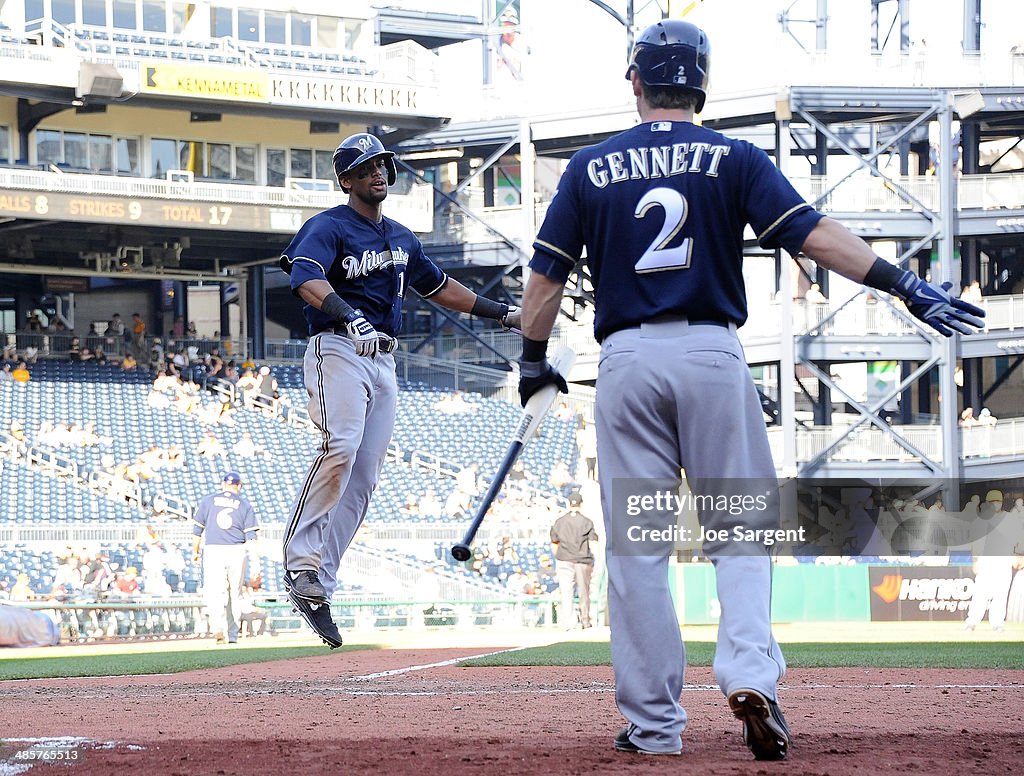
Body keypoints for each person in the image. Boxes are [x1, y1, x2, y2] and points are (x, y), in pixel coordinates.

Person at [514, 19, 985, 760]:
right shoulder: (731, 157)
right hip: (710, 354)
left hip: (627, 362)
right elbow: (811, 233)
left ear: (634, 81)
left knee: (639, 549)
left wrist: (532, 360)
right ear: (701, 84)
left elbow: (543, 280)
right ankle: (750, 676)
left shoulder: (587, 167)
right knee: (738, 531)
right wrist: (903, 285)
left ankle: (655, 726)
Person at [277, 131, 521, 648]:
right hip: (338, 346)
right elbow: (304, 277)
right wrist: (350, 315)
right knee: (339, 446)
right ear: (345, 179)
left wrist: (502, 313)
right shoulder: (328, 226)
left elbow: (440, 287)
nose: (378, 173)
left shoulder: (402, 236)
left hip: (384, 358)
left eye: (383, 164)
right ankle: (299, 564)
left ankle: (319, 583)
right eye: (365, 167)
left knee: (363, 478)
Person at [192, 472, 260, 645]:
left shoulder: (208, 501)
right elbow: (251, 537)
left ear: (223, 485)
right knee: (234, 593)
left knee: (215, 591)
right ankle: (233, 634)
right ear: (239, 486)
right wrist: (255, 565)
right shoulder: (244, 504)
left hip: (214, 550)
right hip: (237, 550)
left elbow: (197, 530)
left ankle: (217, 628)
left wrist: (195, 551)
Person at [964, 490, 1017, 632]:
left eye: (998, 502)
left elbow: (1017, 539)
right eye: (992, 502)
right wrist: (975, 560)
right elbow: (975, 543)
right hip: (986, 560)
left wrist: (1017, 554)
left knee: (1001, 593)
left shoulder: (1009, 518)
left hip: (1003, 560)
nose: (995, 504)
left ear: (1001, 503)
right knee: (980, 593)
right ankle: (972, 622)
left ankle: (997, 623)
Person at [550, 490, 598, 629]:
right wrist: (595, 560)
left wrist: (558, 558)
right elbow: (593, 543)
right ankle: (585, 621)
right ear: (581, 504)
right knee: (584, 592)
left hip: (564, 559)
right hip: (582, 560)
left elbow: (554, 543)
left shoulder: (559, 521)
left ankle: (569, 622)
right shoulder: (587, 522)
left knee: (566, 593)